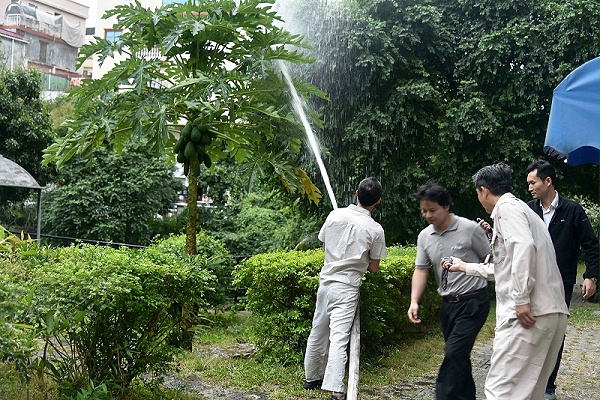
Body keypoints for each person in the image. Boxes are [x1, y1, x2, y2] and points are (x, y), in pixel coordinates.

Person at [445, 163, 569, 400]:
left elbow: (523, 248)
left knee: (500, 390)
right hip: (550, 313)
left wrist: (521, 299)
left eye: (477, 193)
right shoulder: (524, 210)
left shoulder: (506, 209)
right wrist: (463, 267)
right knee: (528, 393)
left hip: (529, 313)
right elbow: (508, 266)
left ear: (483, 190)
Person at [303, 177, 387, 400]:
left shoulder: (334, 215)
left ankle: (311, 377)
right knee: (339, 338)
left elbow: (325, 243)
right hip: (347, 288)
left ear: (356, 193)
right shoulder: (375, 229)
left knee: (318, 330)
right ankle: (336, 389)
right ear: (378, 201)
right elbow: (375, 268)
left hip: (326, 283)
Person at [408, 180, 491, 400]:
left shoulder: (470, 229)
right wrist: (414, 301)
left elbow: (492, 260)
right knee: (459, 356)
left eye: (432, 210)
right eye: (424, 211)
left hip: (474, 302)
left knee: (454, 352)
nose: (428, 215)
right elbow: (421, 269)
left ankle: (443, 396)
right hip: (448, 306)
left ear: (446, 206)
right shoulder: (425, 236)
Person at [525, 160, 600, 400]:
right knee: (529, 329)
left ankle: (548, 385)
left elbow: (592, 246)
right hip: (532, 281)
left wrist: (591, 276)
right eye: (528, 183)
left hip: (561, 283)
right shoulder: (528, 210)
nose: (530, 188)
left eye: (533, 182)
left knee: (554, 332)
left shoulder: (572, 210)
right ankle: (528, 381)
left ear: (548, 181)